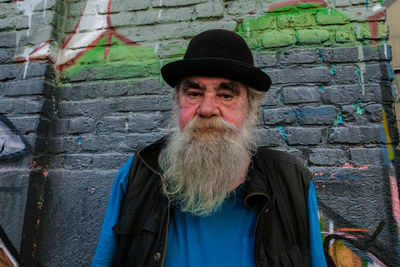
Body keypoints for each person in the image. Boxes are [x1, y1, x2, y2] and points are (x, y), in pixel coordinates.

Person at [92, 29, 327, 267]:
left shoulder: (292, 182)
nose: (206, 109)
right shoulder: (138, 174)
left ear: (253, 112)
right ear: (177, 105)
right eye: (193, 93)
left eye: (226, 95)